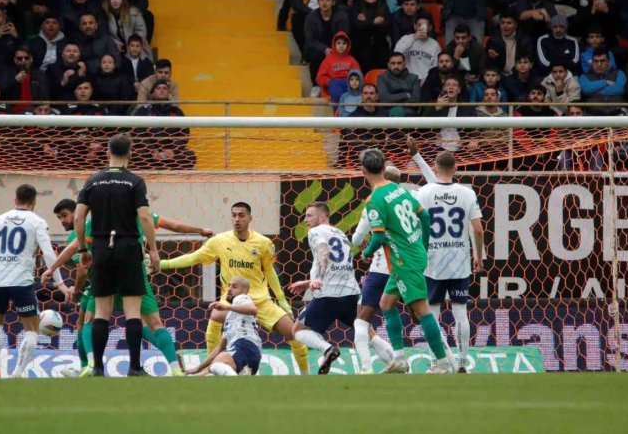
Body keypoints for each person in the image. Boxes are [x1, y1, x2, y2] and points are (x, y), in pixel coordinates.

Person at [45, 199, 212, 377]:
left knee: (88, 321)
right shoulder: (140, 215)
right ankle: (173, 369)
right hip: (132, 273)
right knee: (149, 322)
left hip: (103, 277)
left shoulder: (96, 221)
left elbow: (79, 260)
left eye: (63, 216)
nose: (62, 220)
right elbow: (172, 225)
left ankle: (91, 365)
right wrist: (200, 230)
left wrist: (56, 271)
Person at [158, 202, 310, 375]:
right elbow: (194, 258)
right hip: (230, 300)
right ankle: (210, 369)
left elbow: (269, 272)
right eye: (234, 215)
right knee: (215, 316)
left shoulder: (263, 243)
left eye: (241, 215)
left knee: (293, 332)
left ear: (250, 218)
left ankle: (305, 375)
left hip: (260, 302)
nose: (237, 219)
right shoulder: (220, 241)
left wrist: (282, 300)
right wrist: (163, 264)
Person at [358, 147, 452, 373]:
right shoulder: (397, 189)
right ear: (383, 168)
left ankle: (442, 363)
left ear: (363, 170)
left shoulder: (374, 200)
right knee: (386, 304)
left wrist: (366, 253)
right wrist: (424, 245)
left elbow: (378, 236)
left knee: (421, 310)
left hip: (403, 261)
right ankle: (399, 359)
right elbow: (425, 215)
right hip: (411, 255)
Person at [74, 134, 159, 377]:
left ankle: (98, 368)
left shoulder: (93, 181)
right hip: (128, 246)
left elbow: (79, 217)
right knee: (132, 311)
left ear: (107, 152)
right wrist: (152, 249)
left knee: (102, 311)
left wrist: (82, 249)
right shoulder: (135, 181)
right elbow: (144, 217)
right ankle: (134, 367)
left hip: (101, 248)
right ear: (129, 153)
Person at [0, 184, 68, 379]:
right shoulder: (37, 222)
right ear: (34, 203)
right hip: (21, 281)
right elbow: (49, 253)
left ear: (15, 200)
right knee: (31, 329)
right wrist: (59, 282)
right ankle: (17, 373)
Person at [415, 151, 484, 373]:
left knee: (431, 313)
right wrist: (478, 256)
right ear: (455, 168)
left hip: (432, 262)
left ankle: (437, 363)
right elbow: (478, 229)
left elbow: (414, 226)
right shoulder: (467, 193)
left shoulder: (422, 193)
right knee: (460, 313)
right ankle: (462, 363)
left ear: (435, 168)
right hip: (460, 261)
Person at [285, 202, 360, 374]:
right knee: (366, 331)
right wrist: (307, 282)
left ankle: (327, 349)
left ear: (322, 217)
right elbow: (336, 265)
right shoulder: (341, 233)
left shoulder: (315, 232)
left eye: (309, 215)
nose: (305, 220)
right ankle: (397, 362)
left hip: (328, 294)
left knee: (297, 330)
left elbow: (323, 252)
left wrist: (317, 278)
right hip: (351, 292)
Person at [185, 277, 262, 376]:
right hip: (249, 354)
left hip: (244, 346)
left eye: (234, 286)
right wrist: (198, 368)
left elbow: (253, 310)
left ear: (244, 290)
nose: (229, 289)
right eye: (229, 285)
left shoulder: (241, 298)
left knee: (216, 365)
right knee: (211, 371)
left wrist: (227, 307)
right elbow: (220, 348)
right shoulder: (231, 318)